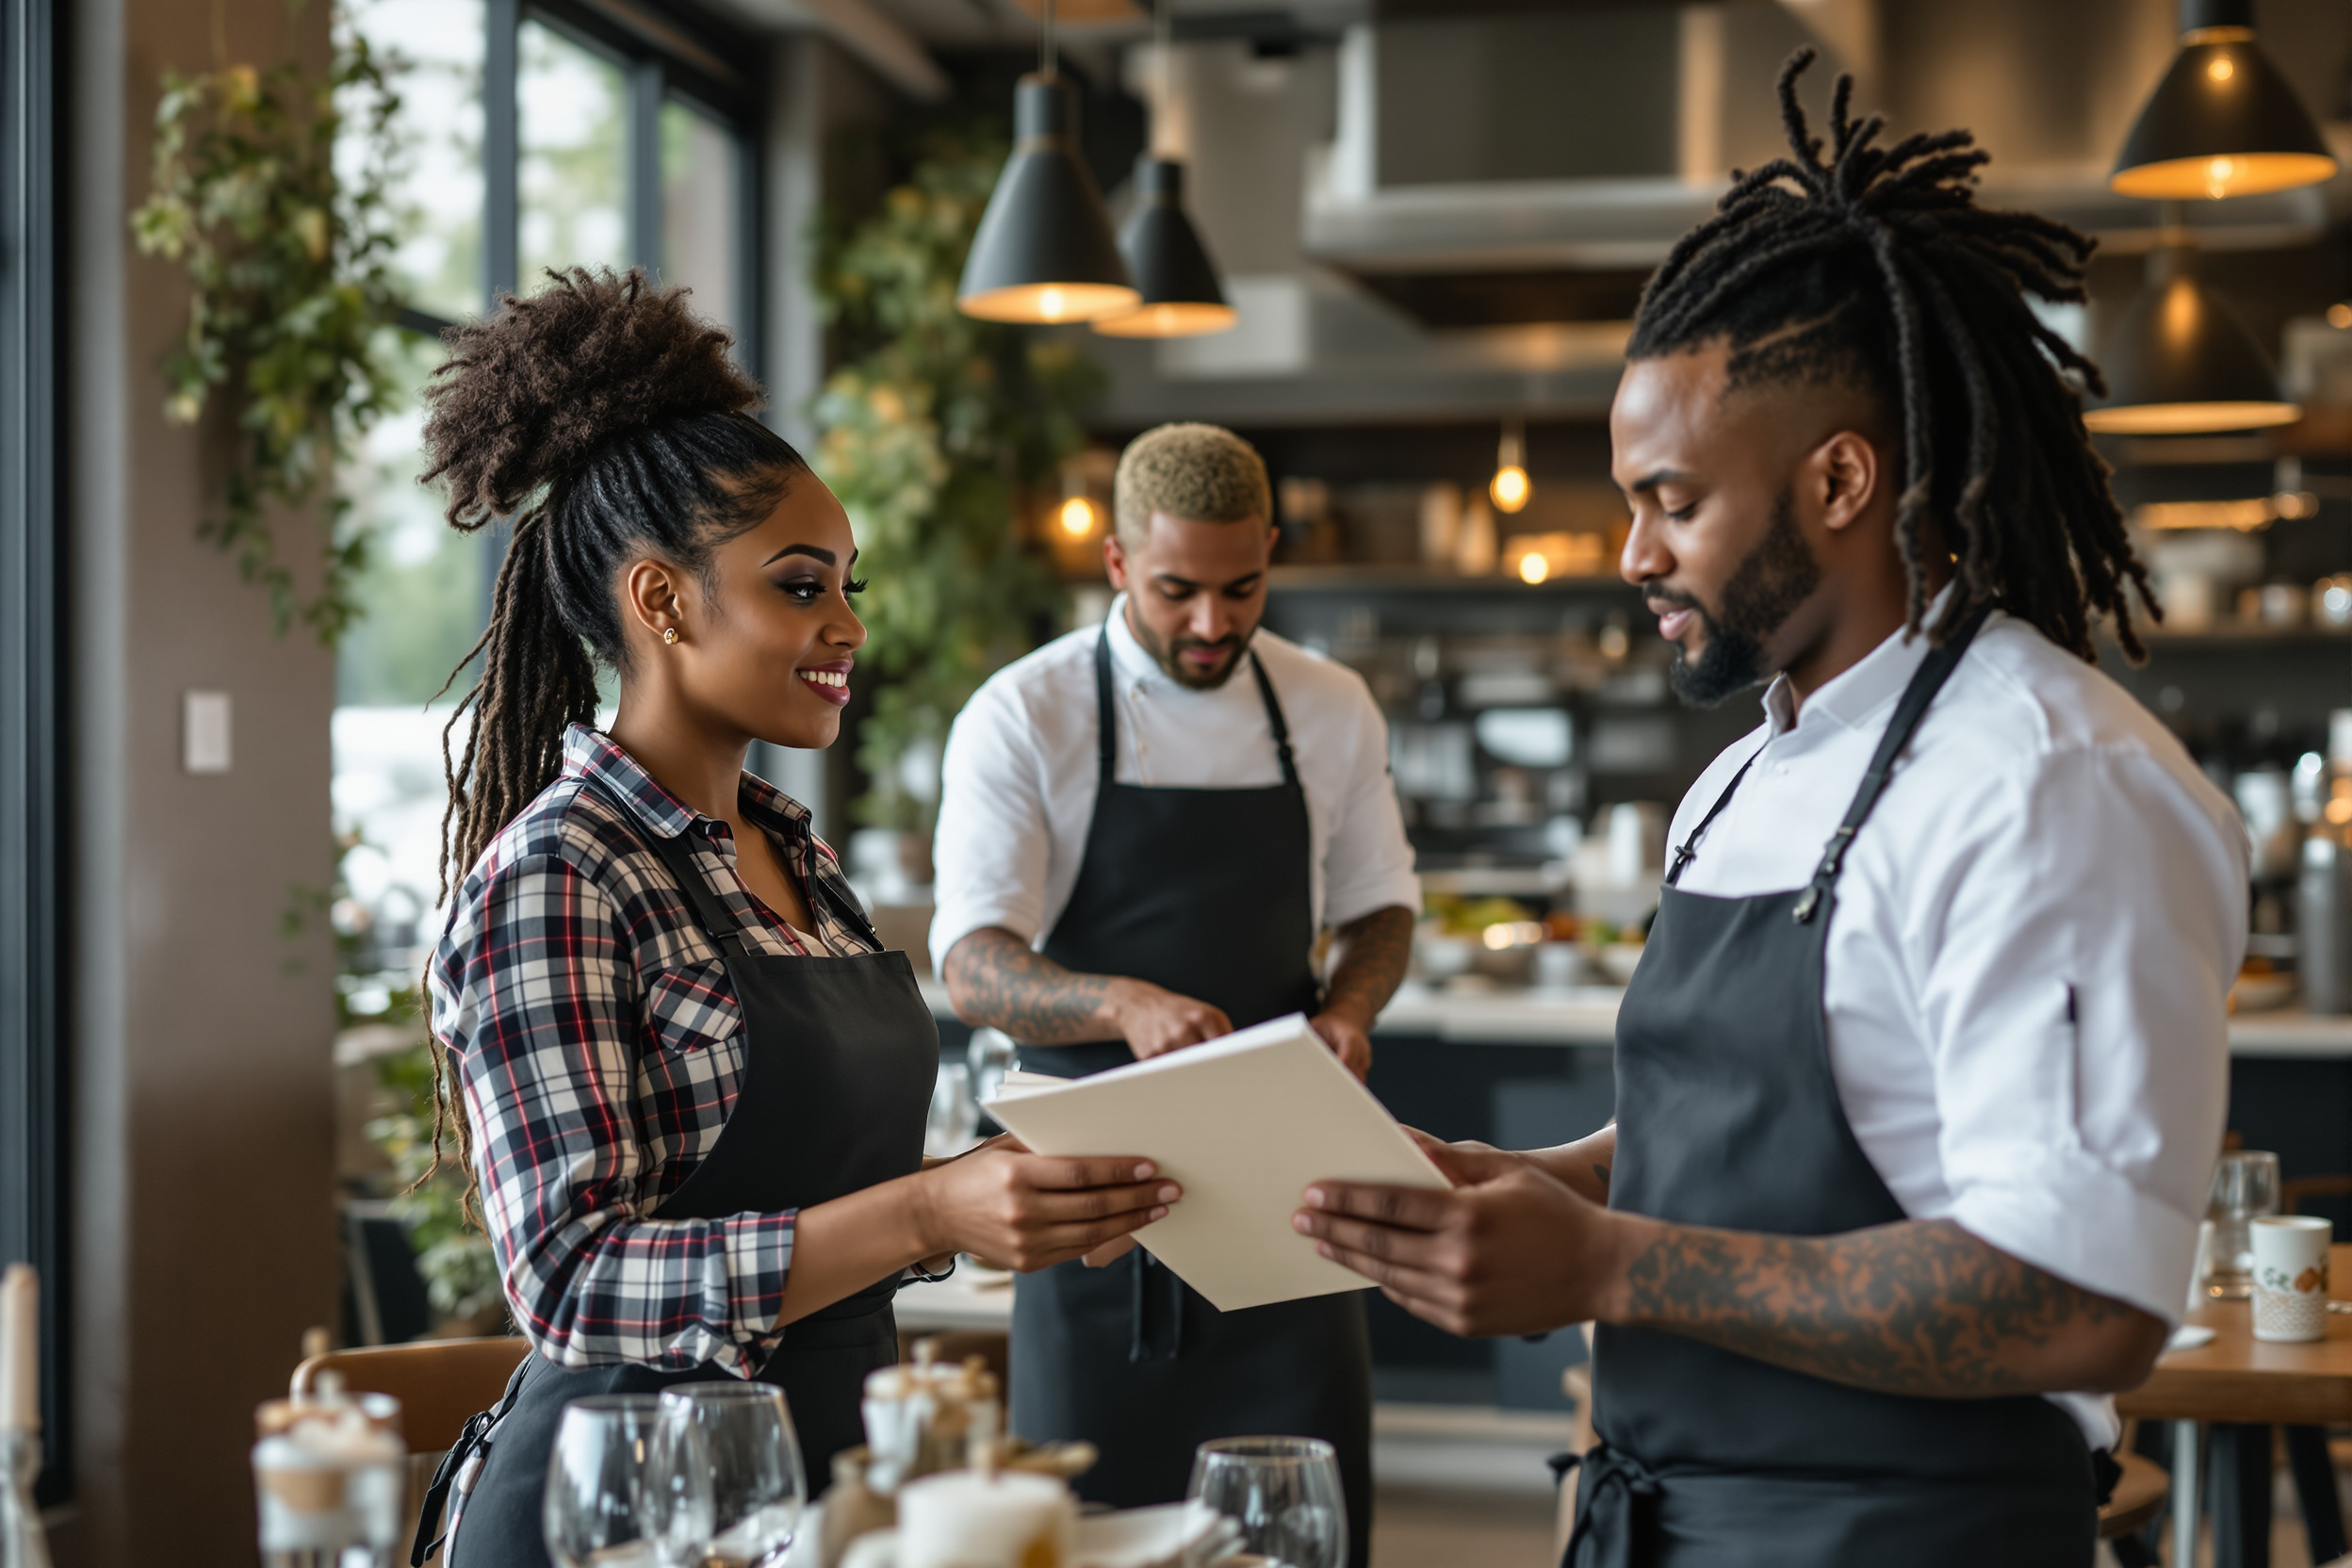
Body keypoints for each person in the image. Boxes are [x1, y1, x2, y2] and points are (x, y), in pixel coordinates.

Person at [1292, 54, 2247, 1568]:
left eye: (1674, 502)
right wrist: (1544, 1185)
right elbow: (1761, 1130)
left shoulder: (2051, 785)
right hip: (1664, 1525)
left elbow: (2084, 1301)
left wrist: (1607, 1262)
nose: (1633, 555)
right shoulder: (1744, 776)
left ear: (1841, 480)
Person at [412, 270, 1177, 1565]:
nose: (848, 627)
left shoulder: (793, 852)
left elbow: (831, 1183)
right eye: (803, 587)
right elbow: (573, 1282)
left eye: (847, 588)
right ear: (661, 601)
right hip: (621, 1517)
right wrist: (931, 1213)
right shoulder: (558, 876)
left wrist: (1009, 1186)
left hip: (818, 1493)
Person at [929, 422, 1420, 1561]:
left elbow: (1380, 907)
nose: (1211, 622)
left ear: (1271, 552)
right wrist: (1121, 1004)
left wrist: (1347, 1014)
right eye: (1176, 591)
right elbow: (974, 963)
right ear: (1116, 562)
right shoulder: (1026, 712)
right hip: (1097, 1221)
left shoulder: (1330, 704)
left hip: (1290, 1211)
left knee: (1303, 1539)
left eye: (1241, 588)